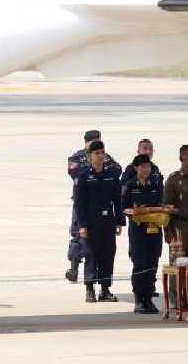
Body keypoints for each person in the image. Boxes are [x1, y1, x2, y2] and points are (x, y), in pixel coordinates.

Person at [74, 140, 124, 303]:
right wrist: (82, 225)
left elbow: (117, 199)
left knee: (108, 254)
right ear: (90, 156)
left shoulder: (111, 175)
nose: (100, 156)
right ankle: (90, 288)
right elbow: (79, 203)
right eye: (97, 153)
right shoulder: (84, 175)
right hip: (91, 221)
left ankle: (105, 288)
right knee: (91, 254)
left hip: (107, 220)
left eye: (102, 153)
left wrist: (119, 221)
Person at [65, 130, 115, 283]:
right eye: (92, 141)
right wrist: (95, 167)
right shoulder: (76, 157)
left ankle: (97, 274)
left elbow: (116, 169)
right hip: (82, 202)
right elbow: (75, 173)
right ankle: (74, 267)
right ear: (85, 142)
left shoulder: (104, 156)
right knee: (77, 234)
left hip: (100, 203)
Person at [121, 153, 163, 314]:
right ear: (136, 168)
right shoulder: (130, 185)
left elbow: (161, 203)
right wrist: (134, 211)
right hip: (138, 231)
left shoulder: (155, 184)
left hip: (155, 229)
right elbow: (123, 207)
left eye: (148, 166)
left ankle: (149, 300)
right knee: (140, 264)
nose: (146, 169)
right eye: (143, 166)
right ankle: (139, 300)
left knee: (152, 264)